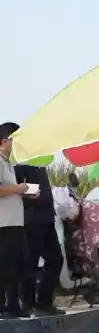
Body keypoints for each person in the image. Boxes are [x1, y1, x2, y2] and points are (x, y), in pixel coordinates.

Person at [15, 160, 65, 316]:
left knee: (56, 259)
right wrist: (30, 196)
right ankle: (28, 304)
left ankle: (43, 301)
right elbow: (14, 190)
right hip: (31, 219)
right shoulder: (20, 164)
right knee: (30, 262)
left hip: (47, 219)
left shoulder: (40, 163)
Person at [0, 122, 31, 319]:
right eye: (13, 139)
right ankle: (6, 306)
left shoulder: (8, 163)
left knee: (17, 264)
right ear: (4, 141)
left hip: (15, 222)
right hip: (4, 223)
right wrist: (18, 189)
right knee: (6, 266)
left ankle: (13, 304)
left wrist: (24, 193)